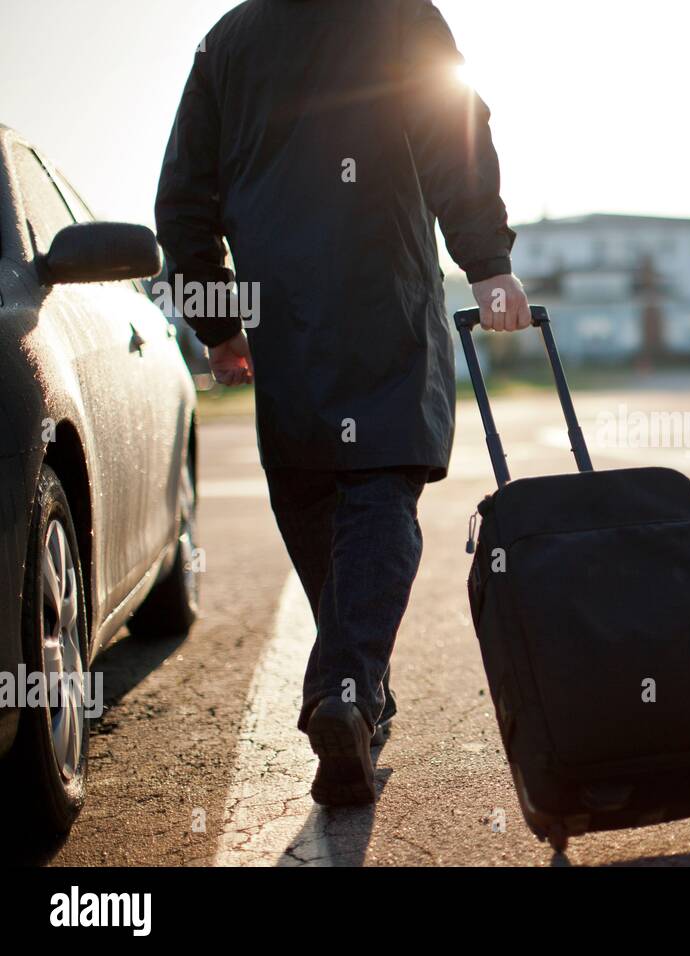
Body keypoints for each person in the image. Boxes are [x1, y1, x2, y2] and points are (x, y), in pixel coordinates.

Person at [155, 0, 530, 806]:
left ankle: (356, 695)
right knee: (382, 484)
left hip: (278, 317)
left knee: (314, 489)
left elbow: (183, 199)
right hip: (380, 296)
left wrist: (220, 322)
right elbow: (450, 123)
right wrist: (488, 259)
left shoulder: (230, 40)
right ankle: (349, 692)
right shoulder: (394, 13)